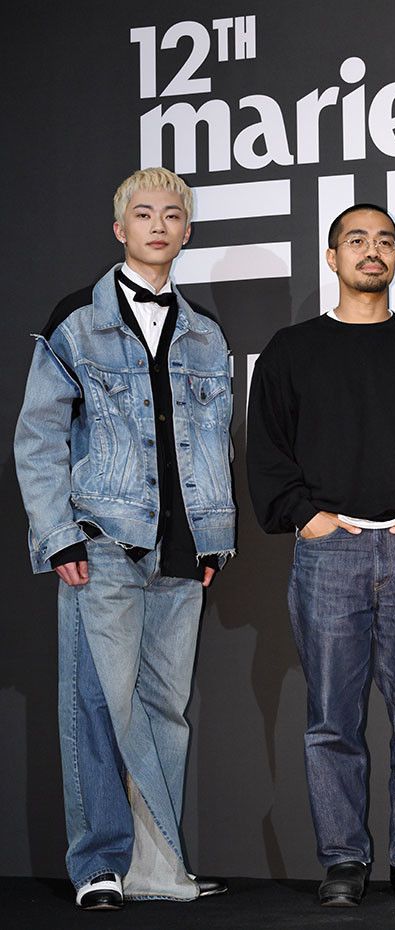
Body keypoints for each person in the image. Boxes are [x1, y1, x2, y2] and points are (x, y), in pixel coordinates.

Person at [14, 167, 236, 910]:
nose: (159, 225)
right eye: (144, 214)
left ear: (187, 231)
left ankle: (157, 867)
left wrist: (213, 538)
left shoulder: (205, 333)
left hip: (182, 551)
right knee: (96, 705)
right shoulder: (77, 320)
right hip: (103, 541)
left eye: (172, 215)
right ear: (120, 229)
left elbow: (215, 444)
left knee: (165, 710)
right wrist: (59, 537)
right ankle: (99, 864)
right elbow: (38, 437)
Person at [246, 203, 395, 907]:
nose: (372, 251)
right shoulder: (291, 350)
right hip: (329, 556)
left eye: (385, 241)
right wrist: (308, 519)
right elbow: (266, 451)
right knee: (331, 722)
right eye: (357, 240)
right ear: (332, 256)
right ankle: (343, 861)